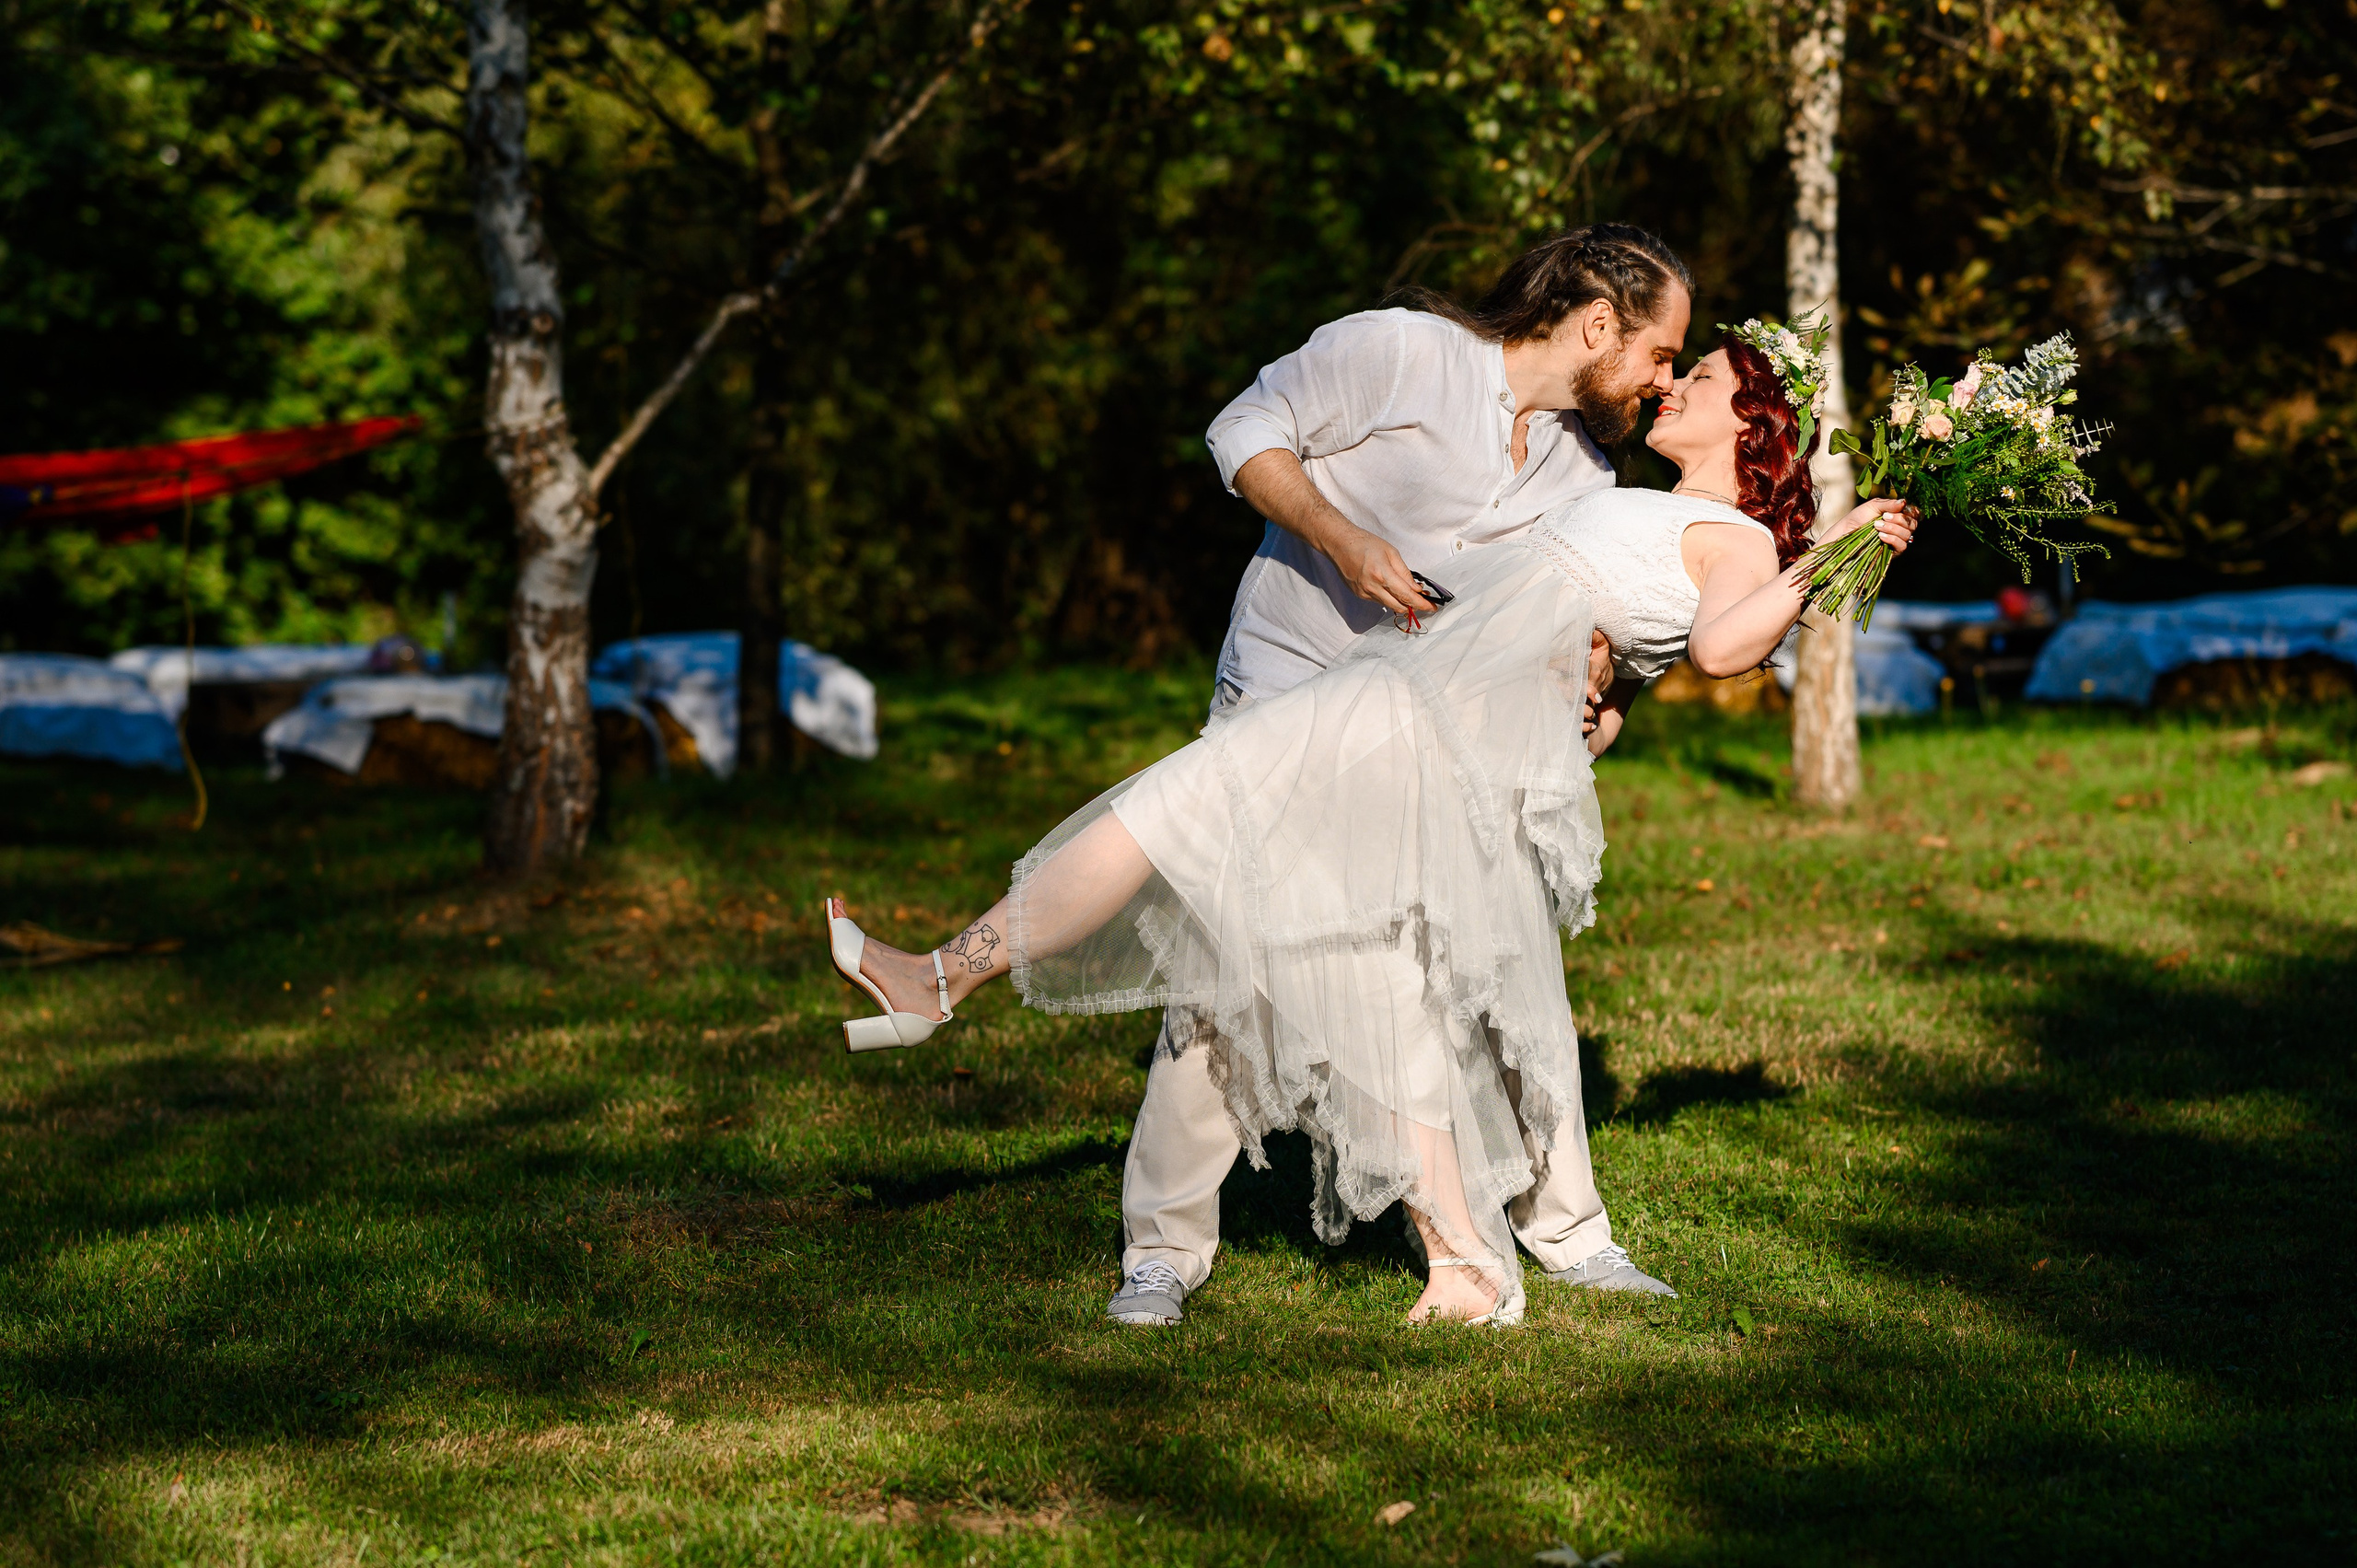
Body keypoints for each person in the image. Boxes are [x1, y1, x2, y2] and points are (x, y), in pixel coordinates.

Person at [823, 317, 1919, 1326]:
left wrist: (1837, 540)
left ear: (1754, 418)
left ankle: (940, 980)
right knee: (1341, 950)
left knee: (1193, 819)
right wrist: (1595, 679)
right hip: (1405, 690)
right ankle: (1459, 1258)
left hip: (1424, 718)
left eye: (1705, 376)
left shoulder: (1732, 537)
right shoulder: (1638, 489)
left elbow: (1723, 649)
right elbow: (1616, 638)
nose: (1674, 382)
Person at [1101, 225, 1696, 1330]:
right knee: (1226, 981)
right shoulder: (1402, 351)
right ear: (1597, 322)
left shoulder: (1584, 469)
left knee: (1491, 969)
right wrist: (1339, 536)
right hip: (1281, 700)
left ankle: (1567, 1231)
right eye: (1660, 353)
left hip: (1419, 742)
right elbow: (1241, 431)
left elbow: (1564, 614)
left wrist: (1593, 690)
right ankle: (1162, 1255)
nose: (1663, 380)